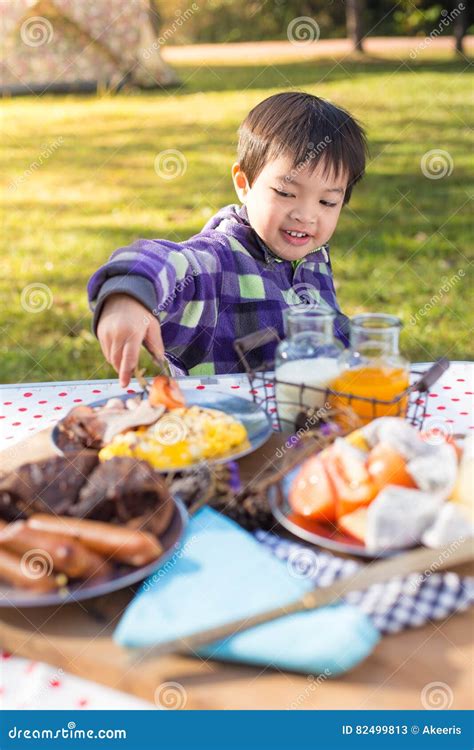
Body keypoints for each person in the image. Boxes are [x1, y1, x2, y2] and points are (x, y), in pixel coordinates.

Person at [87, 91, 367, 387]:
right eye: (285, 193)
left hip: (309, 426)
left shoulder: (312, 259)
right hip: (229, 428)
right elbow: (166, 261)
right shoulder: (217, 263)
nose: (306, 216)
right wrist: (128, 296)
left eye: (327, 202)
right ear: (243, 184)